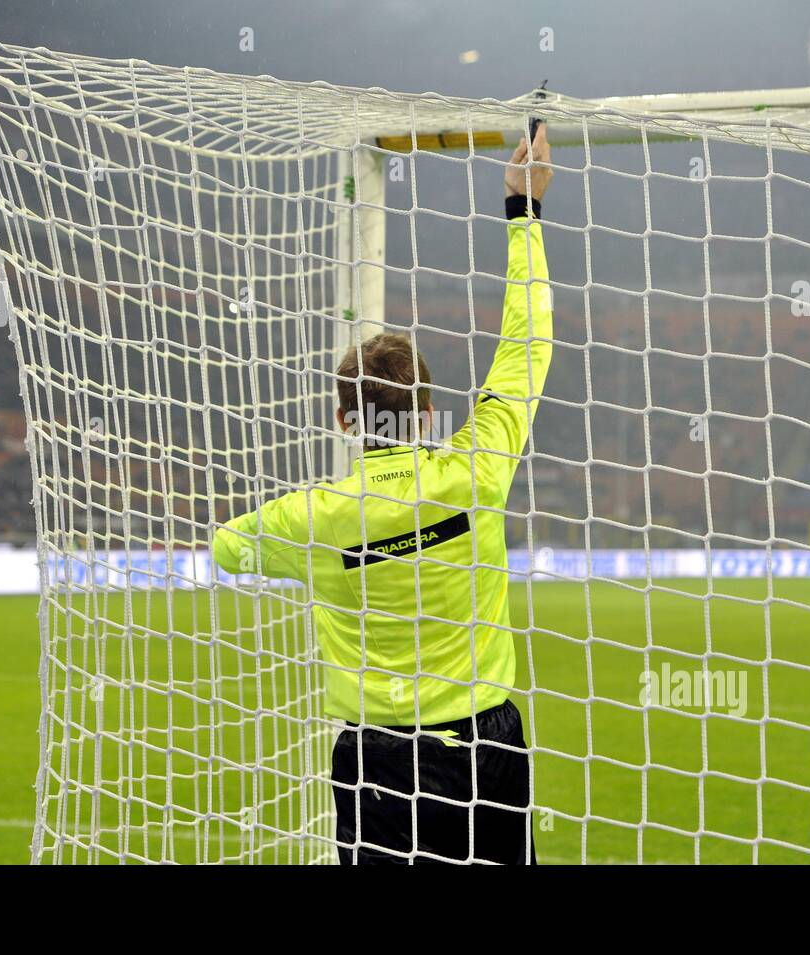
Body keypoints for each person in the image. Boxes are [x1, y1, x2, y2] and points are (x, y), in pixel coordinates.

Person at [212, 126, 555, 864]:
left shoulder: (315, 518)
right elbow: (527, 350)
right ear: (429, 414)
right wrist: (522, 212)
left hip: (374, 766)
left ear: (343, 418)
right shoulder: (475, 471)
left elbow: (227, 547)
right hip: (482, 748)